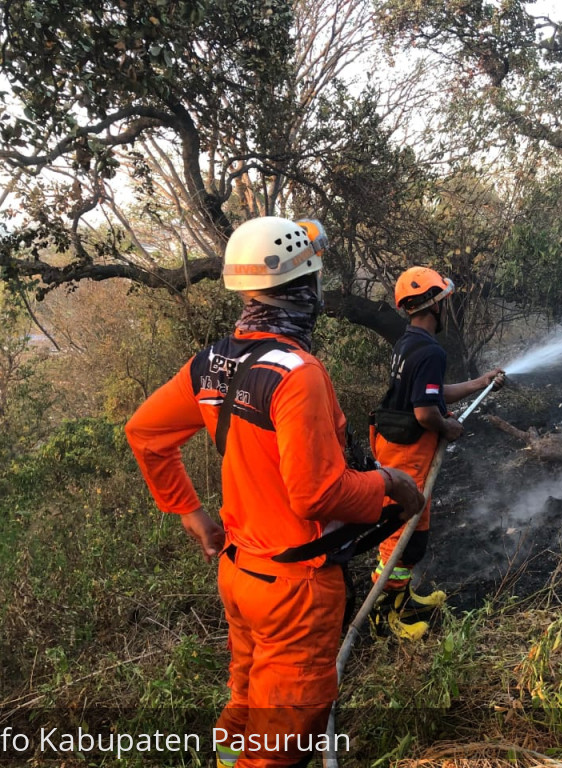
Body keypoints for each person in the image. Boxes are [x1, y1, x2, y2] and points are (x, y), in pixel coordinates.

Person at [125, 216, 425, 768]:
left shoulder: (212, 362)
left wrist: (190, 512)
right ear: (304, 286)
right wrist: (389, 483)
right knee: (280, 743)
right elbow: (316, 495)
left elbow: (144, 433)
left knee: (245, 698)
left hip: (240, 575)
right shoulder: (297, 373)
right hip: (294, 589)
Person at [369, 266, 505, 640]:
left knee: (414, 533)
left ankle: (403, 598)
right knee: (401, 539)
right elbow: (425, 412)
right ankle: (384, 617)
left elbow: (429, 393)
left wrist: (479, 383)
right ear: (434, 305)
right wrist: (448, 427)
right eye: (445, 300)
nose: (447, 307)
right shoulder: (429, 351)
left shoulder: (408, 342)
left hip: (398, 447)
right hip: (407, 454)